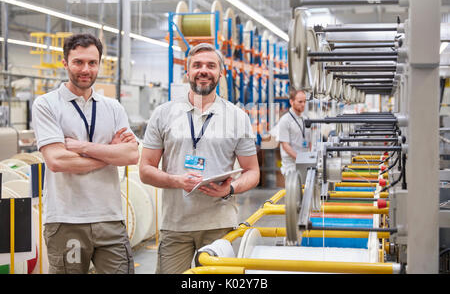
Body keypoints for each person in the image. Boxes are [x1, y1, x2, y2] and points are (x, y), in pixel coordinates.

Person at [139, 43, 260, 274]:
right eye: (197, 65)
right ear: (188, 72)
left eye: (211, 66)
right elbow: (145, 169)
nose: (203, 70)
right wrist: (177, 181)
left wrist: (230, 189)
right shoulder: (163, 114)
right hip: (175, 225)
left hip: (219, 224)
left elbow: (253, 172)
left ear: (220, 73)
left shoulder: (237, 116)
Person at [32, 33, 139, 274]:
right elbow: (57, 160)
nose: (86, 69)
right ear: (65, 62)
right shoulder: (47, 104)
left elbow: (132, 155)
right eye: (78, 62)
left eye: (92, 62)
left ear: (100, 63)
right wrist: (110, 153)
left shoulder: (113, 107)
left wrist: (82, 148)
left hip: (110, 219)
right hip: (66, 220)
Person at [277, 89, 311, 175]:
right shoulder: (285, 120)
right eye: (300, 102)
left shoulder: (305, 119)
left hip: (304, 163)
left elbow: (309, 141)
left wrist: (310, 157)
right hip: (291, 166)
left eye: (304, 101)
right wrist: (300, 159)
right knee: (294, 187)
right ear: (291, 102)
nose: (303, 104)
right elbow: (285, 145)